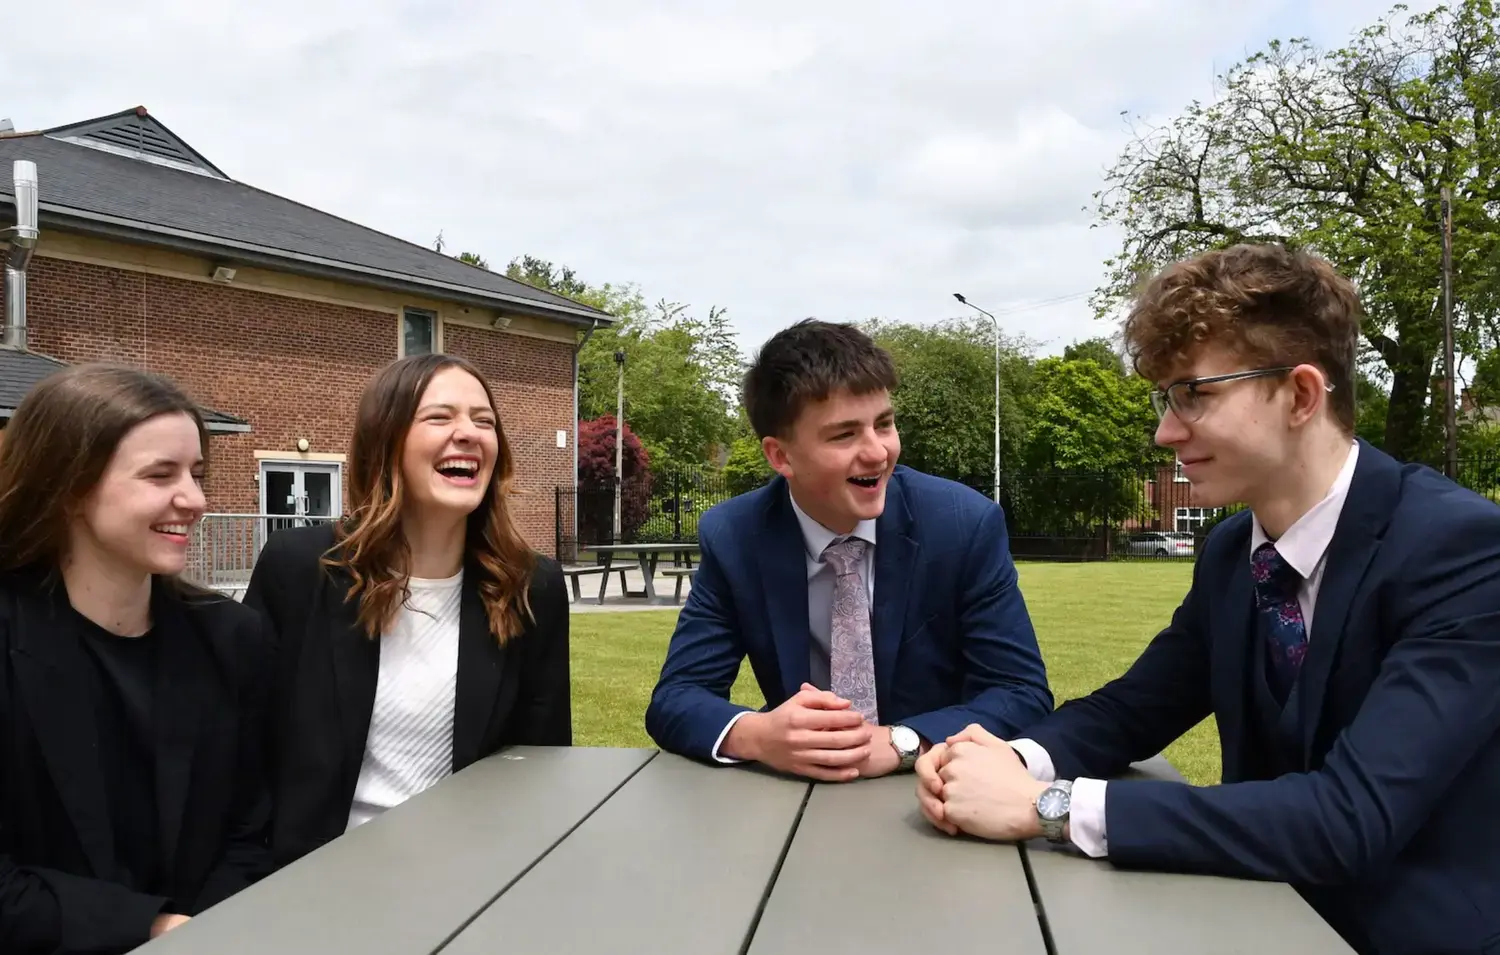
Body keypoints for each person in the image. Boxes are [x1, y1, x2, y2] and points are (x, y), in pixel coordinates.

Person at [915, 244, 1500, 955]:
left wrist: (1051, 807)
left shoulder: (1463, 550)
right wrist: (1018, 757)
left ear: (1301, 395)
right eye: (1166, 398)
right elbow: (1134, 708)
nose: (1165, 430)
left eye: (1194, 394)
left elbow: (1351, 818)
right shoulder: (1231, 553)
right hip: (1246, 916)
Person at [645, 319, 1052, 781]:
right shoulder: (735, 535)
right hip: (796, 799)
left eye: (884, 423)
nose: (878, 452)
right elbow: (677, 696)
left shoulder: (962, 524)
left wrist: (903, 741)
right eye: (844, 435)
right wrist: (759, 735)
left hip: (938, 790)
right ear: (781, 457)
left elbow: (1020, 692)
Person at [245, 353, 570, 869]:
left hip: (469, 877)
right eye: (439, 417)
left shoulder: (532, 586)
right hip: (315, 878)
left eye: (483, 421)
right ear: (386, 441)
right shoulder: (301, 568)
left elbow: (543, 763)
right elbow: (244, 752)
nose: (468, 433)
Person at [0, 364, 273, 954]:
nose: (195, 500)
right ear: (70, 487)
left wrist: (205, 933)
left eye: (197, 474)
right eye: (160, 475)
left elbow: (253, 830)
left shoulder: (231, 639)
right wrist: (150, 930)